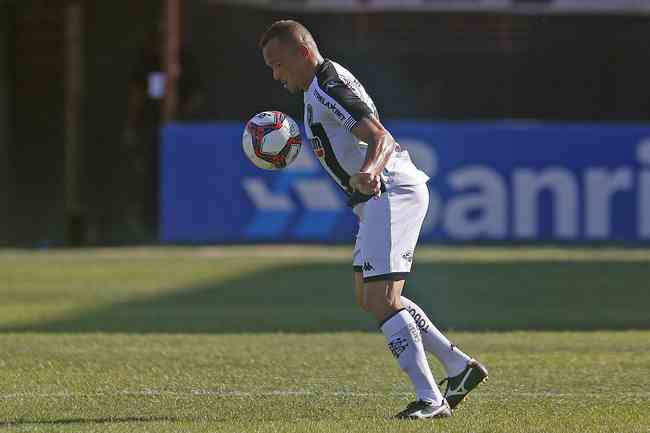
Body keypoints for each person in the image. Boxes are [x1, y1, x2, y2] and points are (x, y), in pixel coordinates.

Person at [258, 20, 488, 419]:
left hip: (390, 191)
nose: (276, 75)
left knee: (383, 299)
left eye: (278, 64)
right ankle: (458, 367)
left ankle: (431, 400)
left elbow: (379, 137)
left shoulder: (330, 88)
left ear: (302, 53)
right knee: (371, 298)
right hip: (375, 202)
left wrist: (369, 171)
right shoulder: (321, 86)